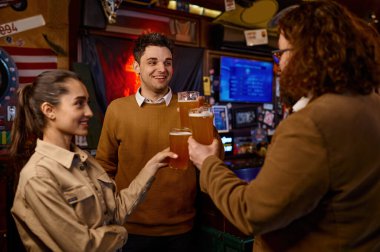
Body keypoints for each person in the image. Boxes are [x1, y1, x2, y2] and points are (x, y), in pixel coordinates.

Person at [188, 1, 380, 251]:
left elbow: (252, 213)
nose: (279, 66)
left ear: (309, 54)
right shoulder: (371, 103)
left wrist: (208, 164)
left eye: (282, 54)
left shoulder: (311, 124)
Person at [9, 70, 176, 251]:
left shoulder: (84, 159)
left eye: (88, 103)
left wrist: (151, 167)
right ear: (49, 110)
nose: (89, 112)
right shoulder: (39, 176)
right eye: (79, 104)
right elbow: (83, 247)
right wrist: (122, 233)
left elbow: (115, 211)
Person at [95, 32, 223, 252]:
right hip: (130, 228)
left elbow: (215, 158)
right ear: (137, 67)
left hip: (182, 228)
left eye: (168, 62)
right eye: (152, 62)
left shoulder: (190, 106)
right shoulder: (117, 109)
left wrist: (208, 127)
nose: (162, 69)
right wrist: (110, 216)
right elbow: (104, 168)